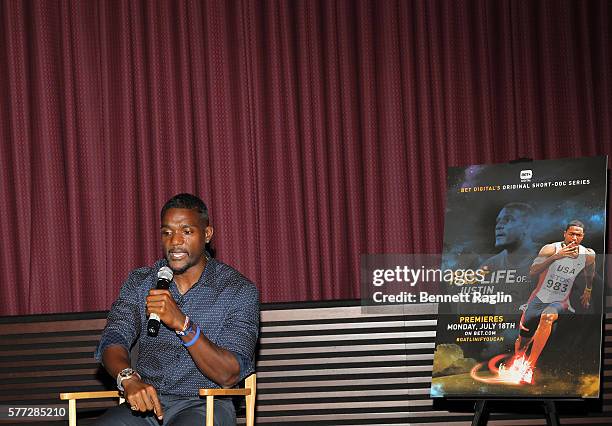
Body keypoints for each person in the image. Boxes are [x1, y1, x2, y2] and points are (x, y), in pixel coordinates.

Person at [94, 193, 259, 425]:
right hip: (148, 405)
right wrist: (128, 378)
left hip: (206, 405)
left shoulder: (237, 290)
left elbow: (229, 374)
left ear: (207, 234)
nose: (175, 241)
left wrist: (183, 325)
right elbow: (113, 339)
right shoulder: (141, 282)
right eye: (167, 232)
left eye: (187, 231)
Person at [510, 220, 595, 383]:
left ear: (583, 236)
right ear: (565, 233)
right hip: (538, 298)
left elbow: (590, 272)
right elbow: (533, 271)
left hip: (561, 301)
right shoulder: (550, 248)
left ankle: (529, 367)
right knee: (522, 342)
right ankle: (519, 360)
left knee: (547, 317)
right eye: (571, 234)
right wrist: (557, 257)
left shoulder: (588, 255)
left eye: (578, 235)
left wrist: (588, 289)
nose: (574, 238)